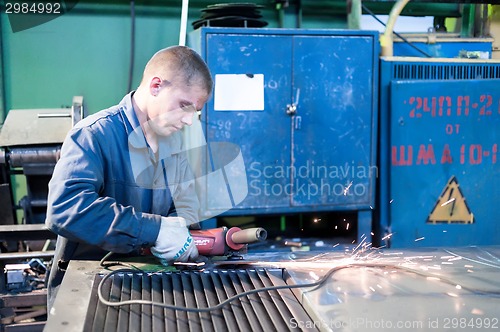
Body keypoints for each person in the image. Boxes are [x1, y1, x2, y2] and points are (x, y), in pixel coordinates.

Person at [45, 45, 213, 309]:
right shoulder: (94, 135)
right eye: (185, 106)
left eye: (196, 112)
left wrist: (186, 234)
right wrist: (153, 230)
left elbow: (182, 207)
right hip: (90, 292)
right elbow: (65, 208)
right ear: (156, 86)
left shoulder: (175, 145)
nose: (190, 121)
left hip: (152, 290)